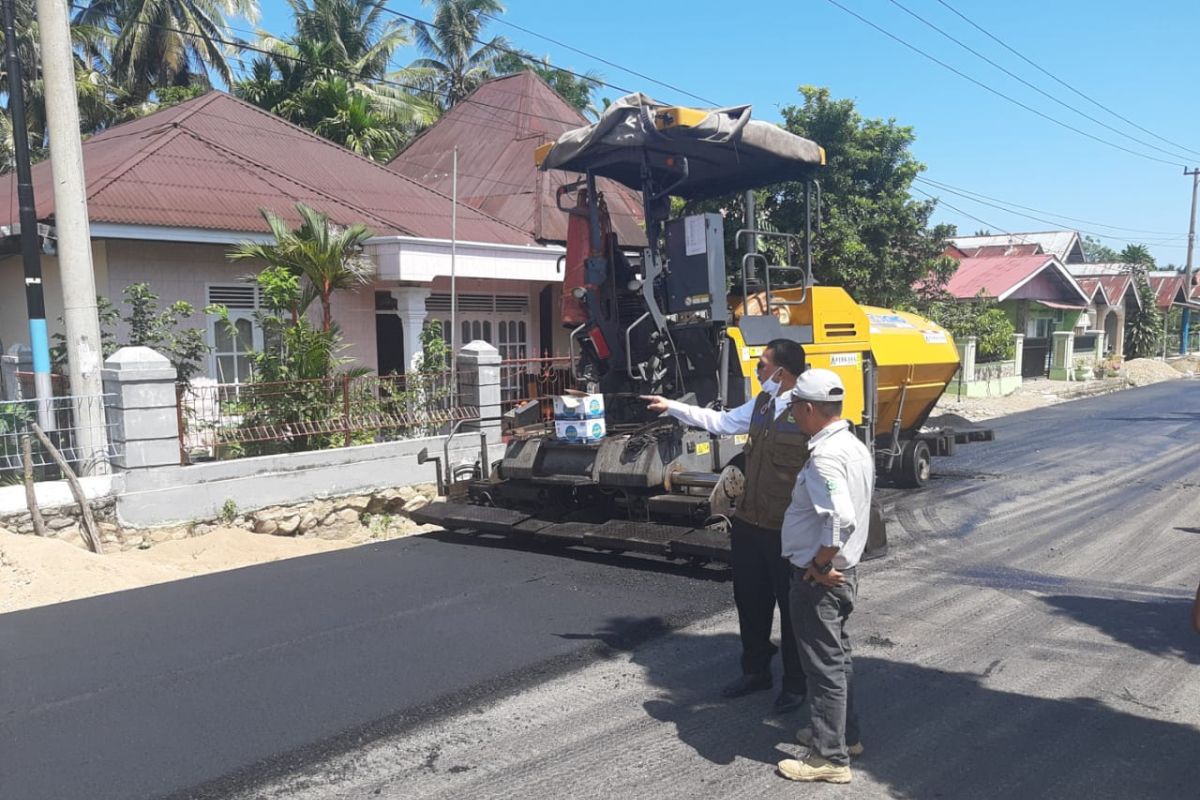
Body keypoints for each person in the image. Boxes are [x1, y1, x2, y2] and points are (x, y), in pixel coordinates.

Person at [642, 338, 809, 714]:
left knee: (792, 609)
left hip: (787, 530)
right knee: (750, 601)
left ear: (781, 371)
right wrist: (673, 407)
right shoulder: (763, 403)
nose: (757, 371)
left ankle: (796, 684)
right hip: (750, 523)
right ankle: (755, 672)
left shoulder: (809, 410)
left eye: (762, 366)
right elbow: (721, 422)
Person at [775, 369, 874, 785]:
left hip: (821, 580)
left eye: (795, 406)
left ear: (810, 408)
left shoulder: (825, 457)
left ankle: (829, 758)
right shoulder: (853, 446)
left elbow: (840, 519)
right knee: (839, 659)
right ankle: (842, 736)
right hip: (844, 572)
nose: (793, 413)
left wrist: (818, 564)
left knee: (823, 667)